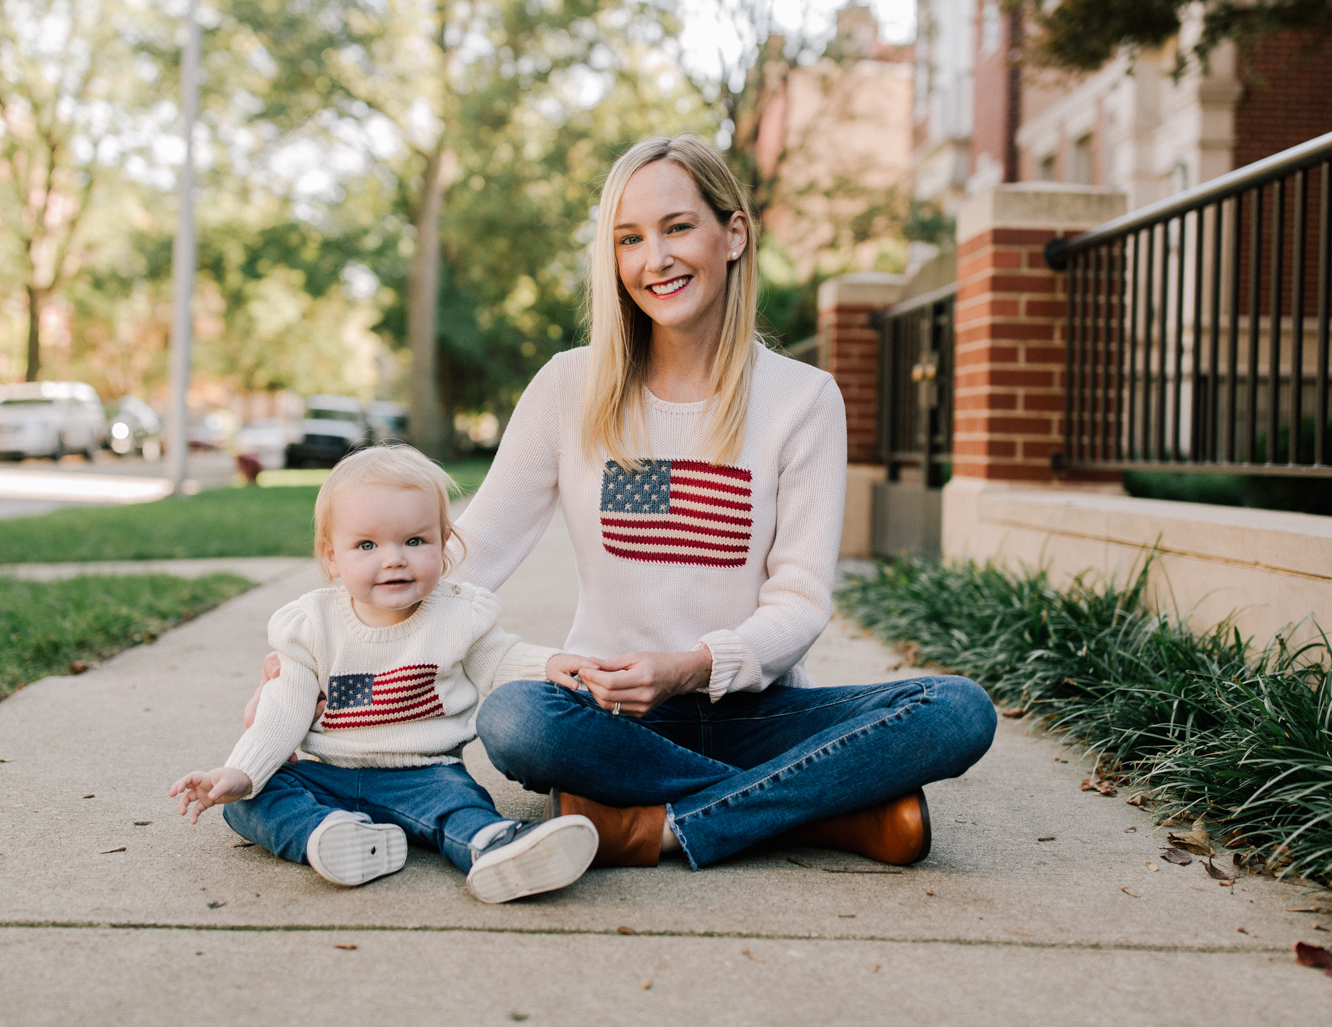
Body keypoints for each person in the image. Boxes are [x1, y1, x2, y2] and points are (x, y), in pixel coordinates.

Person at [454, 134, 998, 872]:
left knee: (958, 711)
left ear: (733, 234)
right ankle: (834, 814)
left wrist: (688, 667)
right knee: (515, 719)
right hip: (606, 716)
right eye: (630, 239)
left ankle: (653, 826)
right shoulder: (567, 387)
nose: (656, 259)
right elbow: (472, 551)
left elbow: (801, 603)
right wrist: (328, 652)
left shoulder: (802, 399)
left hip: (758, 715)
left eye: (678, 227)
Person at [172, 443, 602, 903]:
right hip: (330, 773)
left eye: (415, 541)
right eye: (367, 545)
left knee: (460, 806)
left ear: (445, 544)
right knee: (248, 799)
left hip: (426, 774)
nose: (394, 558)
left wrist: (550, 662)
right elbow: (284, 709)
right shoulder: (312, 625)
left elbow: (499, 659)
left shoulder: (457, 614)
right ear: (332, 557)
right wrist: (242, 770)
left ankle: (496, 848)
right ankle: (332, 837)